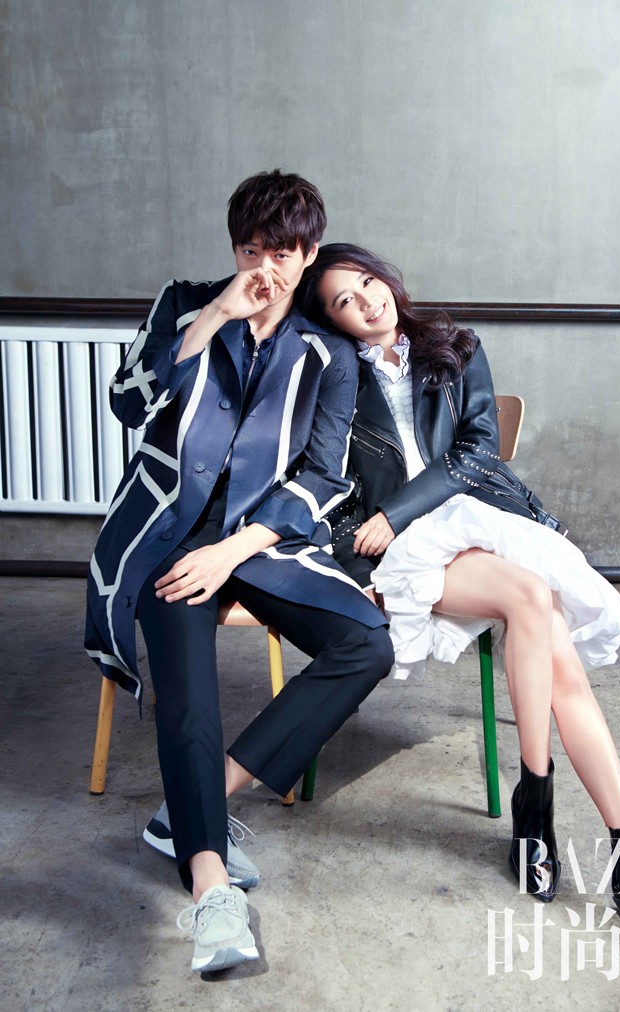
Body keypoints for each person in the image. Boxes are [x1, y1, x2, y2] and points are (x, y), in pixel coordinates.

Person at [297, 242, 620, 925]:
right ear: (332, 319)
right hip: (400, 549)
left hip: (472, 519)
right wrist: (371, 531)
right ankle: (556, 816)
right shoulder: (332, 374)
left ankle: (615, 847)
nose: (367, 302)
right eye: (345, 300)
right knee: (533, 598)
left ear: (387, 279)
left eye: (369, 282)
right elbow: (321, 474)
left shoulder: (455, 347)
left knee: (548, 627)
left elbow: (477, 450)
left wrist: (395, 509)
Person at [85, 177, 393, 974]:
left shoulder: (328, 352)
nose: (264, 266)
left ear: (309, 253)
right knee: (190, 693)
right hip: (164, 533)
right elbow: (127, 404)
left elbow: (324, 476)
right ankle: (212, 889)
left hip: (259, 539)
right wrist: (214, 316)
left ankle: (195, 807)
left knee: (366, 644)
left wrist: (231, 551)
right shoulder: (184, 304)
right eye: (250, 249)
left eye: (281, 252)